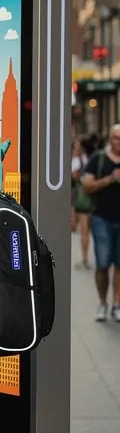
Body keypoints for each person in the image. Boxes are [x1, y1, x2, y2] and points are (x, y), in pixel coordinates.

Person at [81, 123, 120, 322]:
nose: (119, 143)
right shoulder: (99, 159)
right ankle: (102, 302)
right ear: (110, 139)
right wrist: (110, 179)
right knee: (103, 263)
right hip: (102, 218)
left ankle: (117, 304)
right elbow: (86, 185)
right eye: (116, 138)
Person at [70, 137, 92, 270]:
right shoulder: (88, 159)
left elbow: (75, 176)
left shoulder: (77, 161)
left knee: (80, 227)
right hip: (84, 197)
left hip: (78, 196)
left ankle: (84, 258)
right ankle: (84, 257)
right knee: (84, 229)